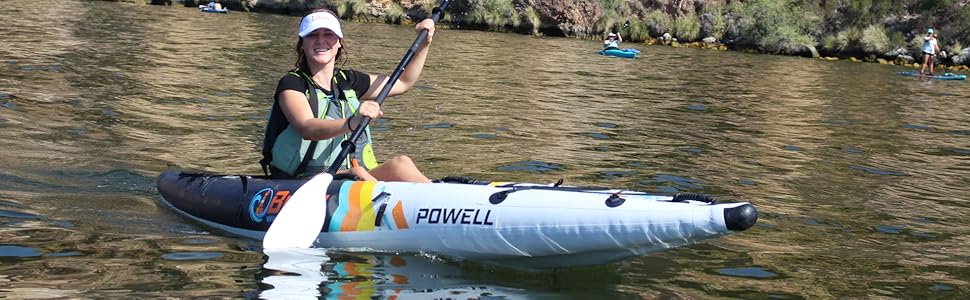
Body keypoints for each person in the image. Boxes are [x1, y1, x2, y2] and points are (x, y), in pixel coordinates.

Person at [260, 8, 434, 183]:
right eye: (312, 35)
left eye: (328, 34)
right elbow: (307, 128)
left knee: (401, 164)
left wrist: (424, 44)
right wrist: (352, 121)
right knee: (357, 173)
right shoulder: (292, 83)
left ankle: (446, 202)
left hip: (352, 177)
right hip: (300, 181)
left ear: (339, 42)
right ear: (302, 43)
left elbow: (403, 82)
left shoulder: (348, 81)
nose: (321, 40)